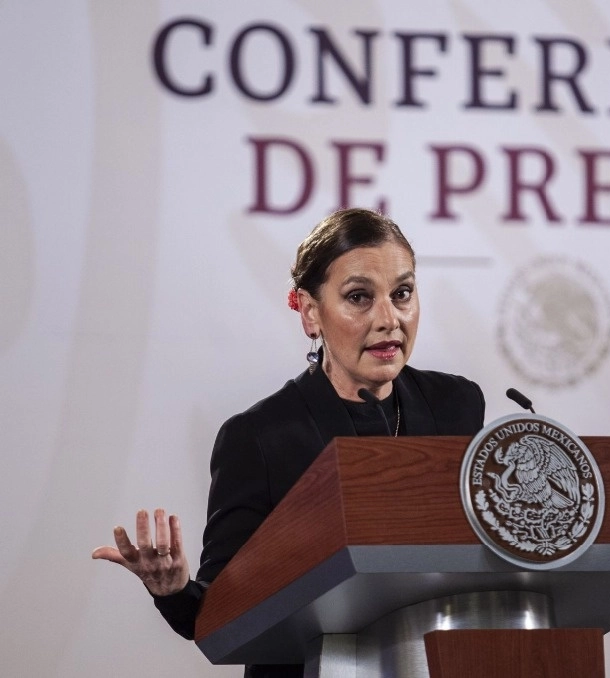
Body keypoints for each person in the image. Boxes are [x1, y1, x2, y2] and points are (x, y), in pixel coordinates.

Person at [92, 208, 486, 677]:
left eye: (402, 293)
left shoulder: (456, 405)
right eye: (359, 297)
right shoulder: (258, 437)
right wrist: (174, 590)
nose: (389, 319)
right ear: (310, 312)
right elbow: (218, 613)